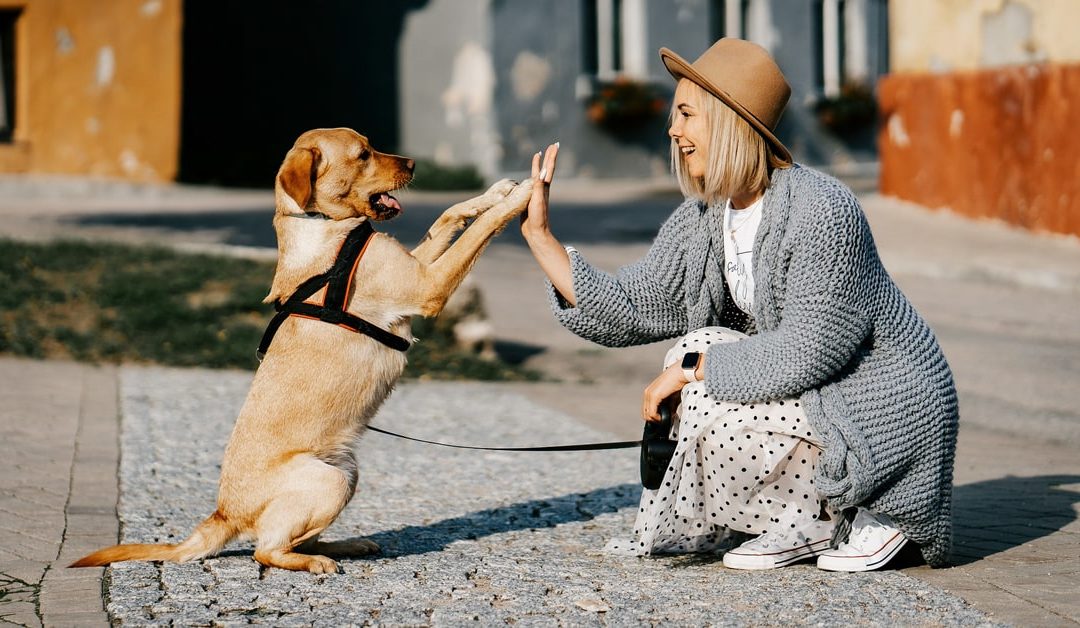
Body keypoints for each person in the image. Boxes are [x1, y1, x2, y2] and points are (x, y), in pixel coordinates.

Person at [520, 38, 958, 572]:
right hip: (818, 396)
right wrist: (542, 238)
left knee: (698, 369)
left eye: (686, 114)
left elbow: (809, 350)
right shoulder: (705, 216)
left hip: (882, 405)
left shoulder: (823, 210)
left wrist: (690, 373)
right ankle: (796, 519)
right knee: (695, 349)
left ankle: (850, 512)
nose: (672, 130)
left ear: (728, 121)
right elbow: (635, 304)